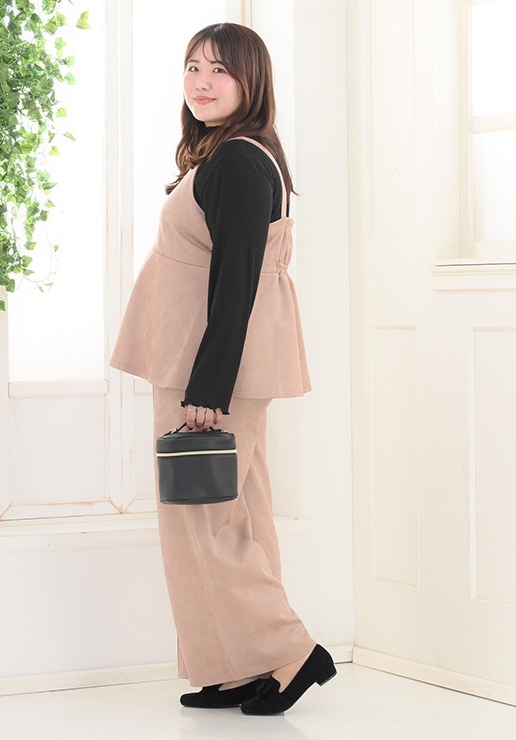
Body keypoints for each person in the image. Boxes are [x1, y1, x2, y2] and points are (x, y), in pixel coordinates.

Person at [109, 22, 335, 715]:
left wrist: (207, 388)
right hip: (210, 362)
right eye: (192, 67)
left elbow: (235, 279)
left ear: (250, 82)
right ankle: (242, 666)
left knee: (202, 524)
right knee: (240, 518)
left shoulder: (237, 160)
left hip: (206, 369)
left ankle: (291, 652)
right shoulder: (235, 154)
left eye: (220, 71)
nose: (201, 83)